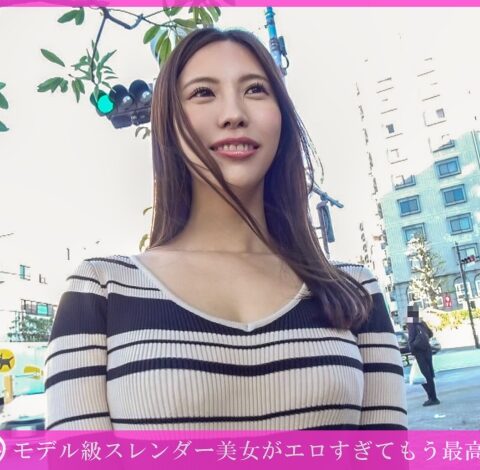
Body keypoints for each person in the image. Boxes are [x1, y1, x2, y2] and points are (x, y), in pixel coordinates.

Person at [45, 27, 407, 431]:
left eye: (255, 90)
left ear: (282, 118)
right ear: (169, 124)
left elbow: (385, 453)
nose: (234, 113)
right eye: (203, 93)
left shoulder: (356, 292)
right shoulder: (101, 290)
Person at [407, 306, 440, 406]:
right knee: (429, 374)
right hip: (427, 350)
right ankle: (432, 397)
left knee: (424, 376)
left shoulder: (411, 324)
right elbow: (430, 333)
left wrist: (412, 349)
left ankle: (432, 398)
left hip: (419, 352)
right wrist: (423, 338)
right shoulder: (421, 322)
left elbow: (411, 337)